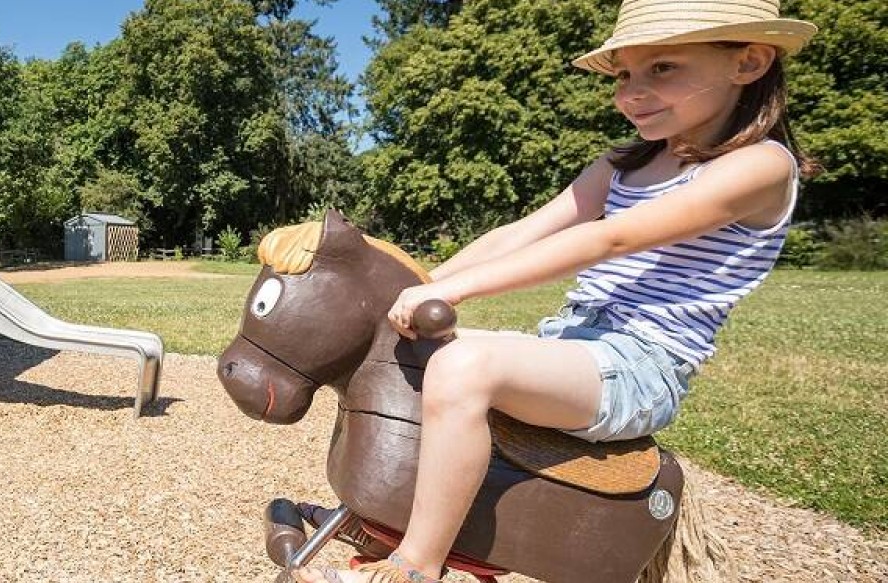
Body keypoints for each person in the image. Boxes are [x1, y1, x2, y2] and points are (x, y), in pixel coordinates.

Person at [296, 1, 820, 582]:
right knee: (404, 355)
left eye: (662, 68)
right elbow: (526, 231)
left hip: (642, 364)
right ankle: (383, 514)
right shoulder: (625, 162)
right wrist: (418, 285)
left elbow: (612, 238)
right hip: (573, 341)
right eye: (624, 74)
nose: (631, 93)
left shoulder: (760, 167)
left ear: (748, 62)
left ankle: (415, 567)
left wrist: (459, 290)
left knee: (464, 368)